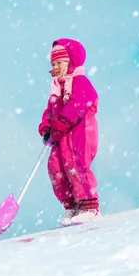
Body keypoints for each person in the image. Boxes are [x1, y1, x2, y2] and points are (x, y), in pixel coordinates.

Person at [38, 38, 100, 225]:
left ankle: (88, 206)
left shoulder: (80, 82)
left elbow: (80, 104)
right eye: (53, 64)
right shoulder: (57, 89)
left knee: (76, 165)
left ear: (70, 62)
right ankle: (71, 205)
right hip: (61, 136)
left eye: (59, 63)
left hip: (80, 134)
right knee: (56, 168)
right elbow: (50, 111)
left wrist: (62, 122)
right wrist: (47, 127)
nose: (55, 67)